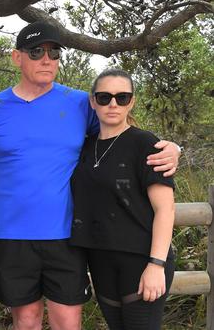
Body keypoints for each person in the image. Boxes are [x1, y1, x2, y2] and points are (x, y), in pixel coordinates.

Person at [0, 21, 181, 330]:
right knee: (26, 321)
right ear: (17, 57)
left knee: (67, 323)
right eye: (36, 52)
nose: (47, 59)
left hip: (67, 236)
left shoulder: (79, 103)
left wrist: (173, 148)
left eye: (54, 53)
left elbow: (119, 135)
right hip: (11, 237)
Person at [70, 69, 175, 329]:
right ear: (93, 102)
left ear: (132, 102)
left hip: (141, 259)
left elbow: (165, 209)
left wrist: (156, 264)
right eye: (104, 97)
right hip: (100, 259)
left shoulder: (146, 143)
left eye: (122, 97)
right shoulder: (84, 146)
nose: (113, 104)